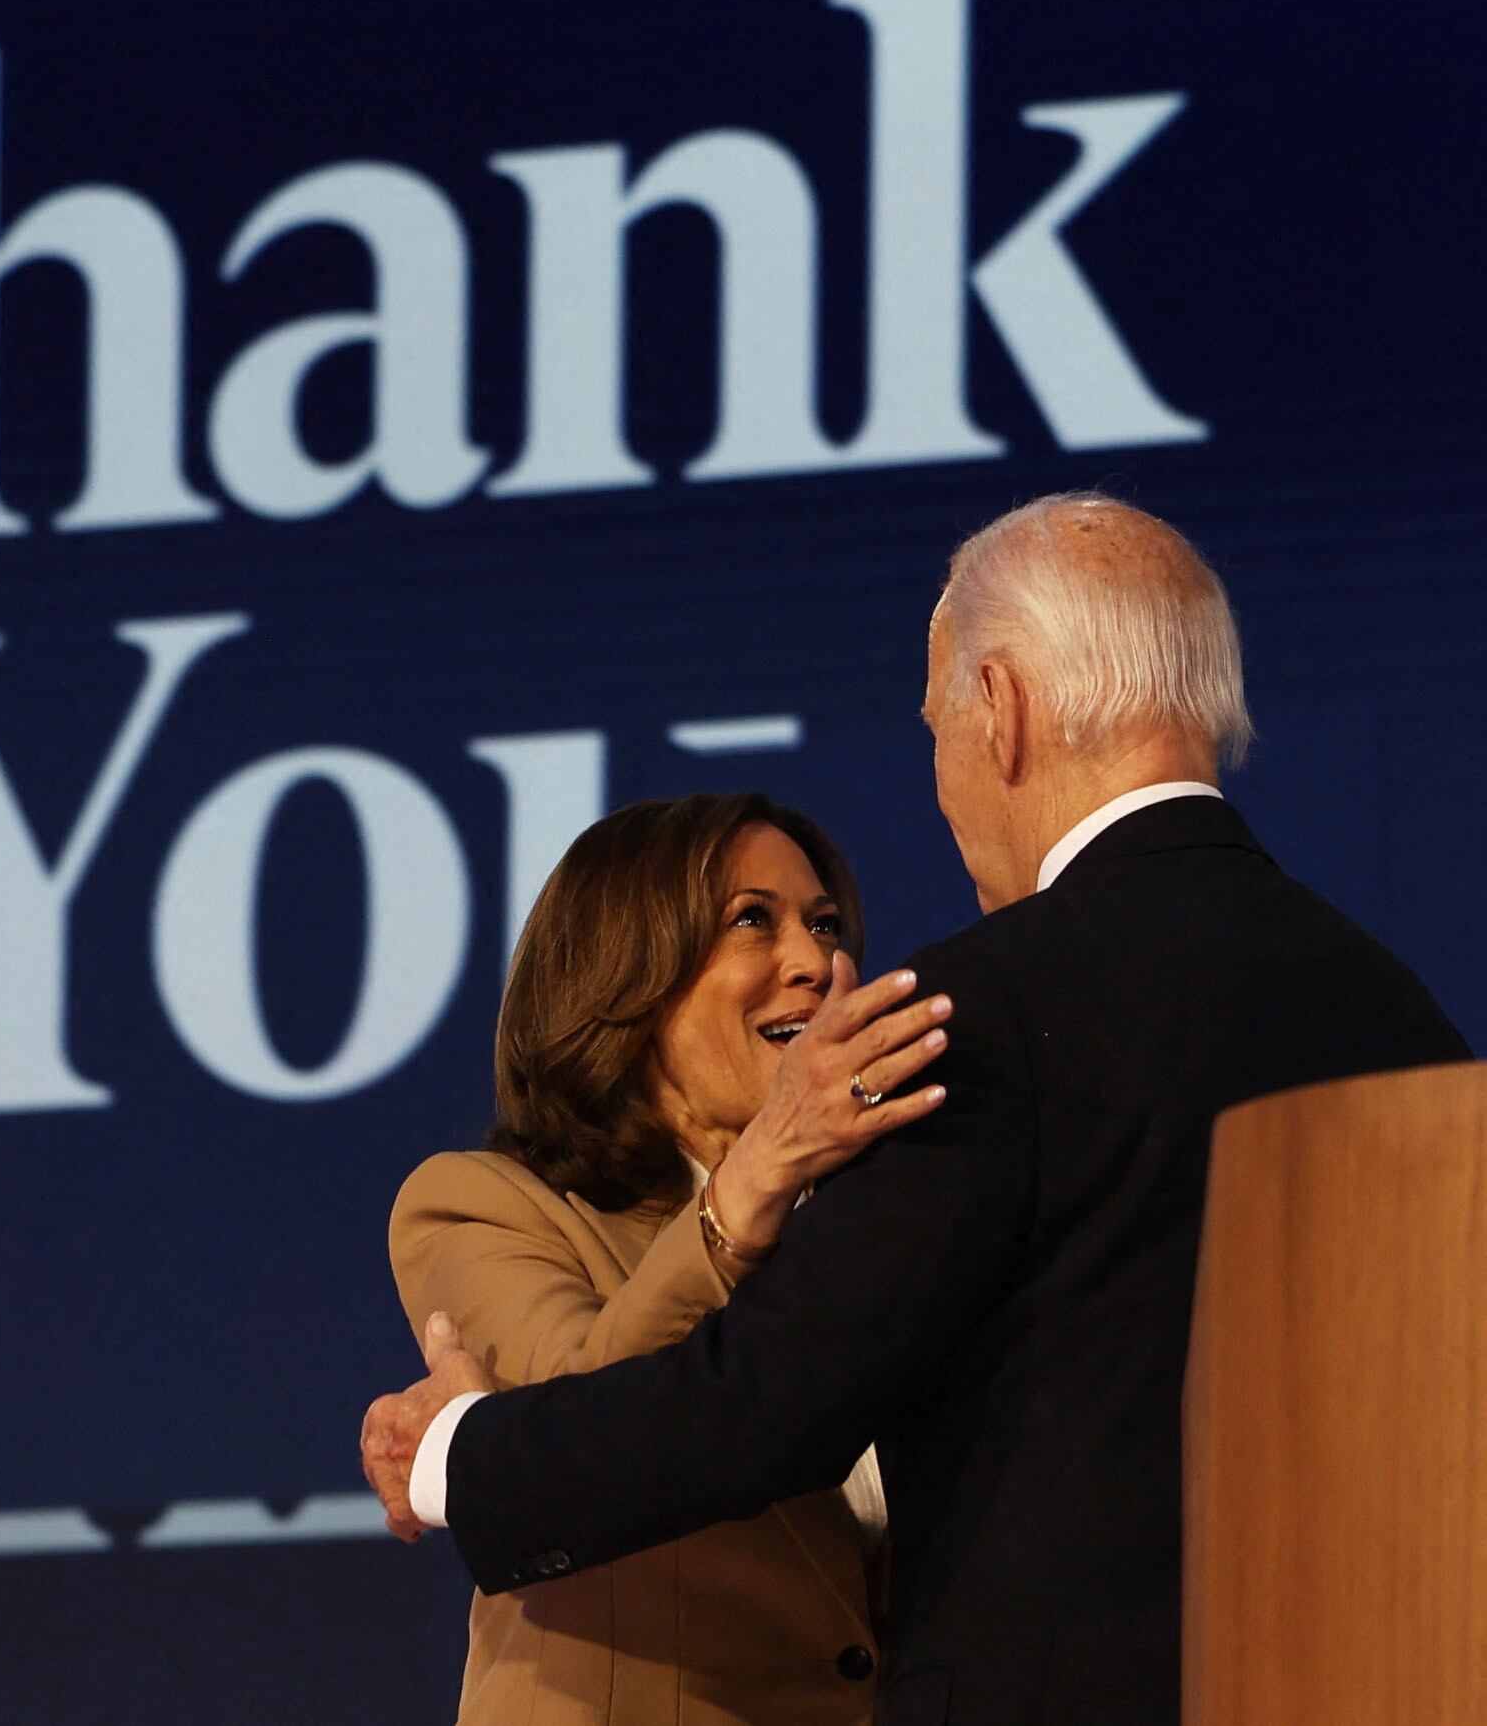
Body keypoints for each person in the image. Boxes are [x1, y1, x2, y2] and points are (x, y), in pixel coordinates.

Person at [360, 494, 1471, 1726]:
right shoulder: (1397, 1014)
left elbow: (758, 1408)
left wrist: (457, 1456)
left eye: (939, 723)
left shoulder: (975, 1015)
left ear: (1001, 710)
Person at [392, 791, 953, 1725]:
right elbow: (579, 1449)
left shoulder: (880, 1227)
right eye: (752, 922)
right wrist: (758, 1175)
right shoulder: (480, 1206)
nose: (814, 962)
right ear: (629, 976)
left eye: (823, 925)